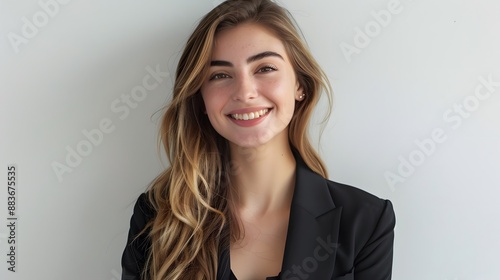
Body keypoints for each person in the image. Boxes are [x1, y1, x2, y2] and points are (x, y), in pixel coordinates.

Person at [121, 0, 396, 279]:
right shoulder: (158, 216)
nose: (245, 91)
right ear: (201, 100)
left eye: (264, 68)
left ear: (300, 84)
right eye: (220, 75)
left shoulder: (365, 221)